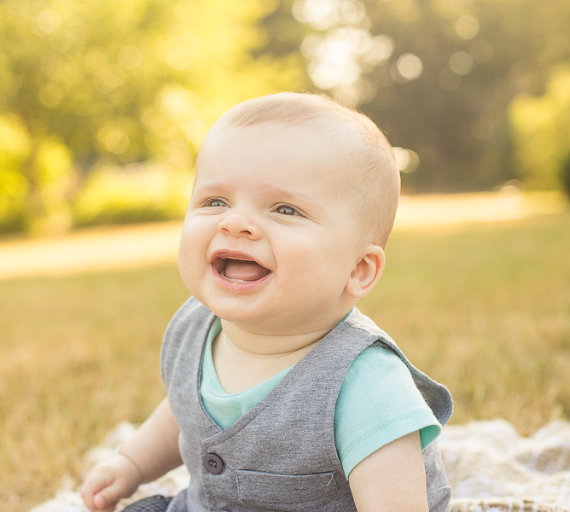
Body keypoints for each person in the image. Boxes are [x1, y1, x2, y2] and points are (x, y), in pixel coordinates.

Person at [80, 92, 453, 512]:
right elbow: (184, 410)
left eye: (284, 209)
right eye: (214, 201)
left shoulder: (365, 384)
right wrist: (131, 463)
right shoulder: (196, 326)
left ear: (358, 269)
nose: (235, 222)